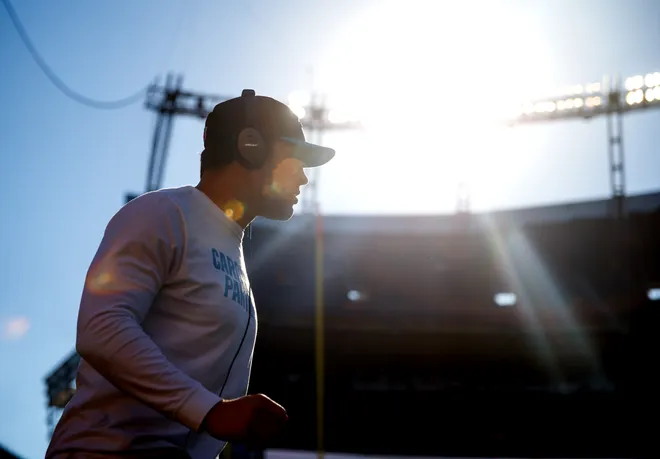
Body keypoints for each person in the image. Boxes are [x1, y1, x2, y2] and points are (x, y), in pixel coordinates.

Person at [45, 90, 336, 459]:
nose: (304, 179)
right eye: (295, 159)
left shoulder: (232, 246)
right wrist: (210, 411)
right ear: (250, 146)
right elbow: (101, 327)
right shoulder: (162, 213)